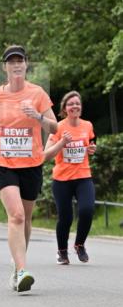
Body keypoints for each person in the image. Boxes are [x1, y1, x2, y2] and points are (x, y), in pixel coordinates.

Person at [0, 46, 57, 292]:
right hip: (3, 163)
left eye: (19, 61)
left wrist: (38, 117)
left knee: (26, 218)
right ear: (5, 67)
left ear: (26, 64)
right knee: (16, 215)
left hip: (31, 164)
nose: (16, 65)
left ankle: (16, 266)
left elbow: (55, 127)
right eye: (11, 61)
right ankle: (23, 270)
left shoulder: (37, 93)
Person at [43, 90, 97, 264]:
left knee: (87, 210)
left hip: (83, 176)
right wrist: (62, 142)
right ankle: (62, 251)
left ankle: (79, 244)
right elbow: (45, 155)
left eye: (77, 103)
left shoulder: (87, 125)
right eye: (71, 104)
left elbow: (90, 144)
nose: (75, 106)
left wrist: (91, 149)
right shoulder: (57, 127)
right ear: (64, 108)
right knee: (65, 218)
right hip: (62, 180)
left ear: (81, 107)